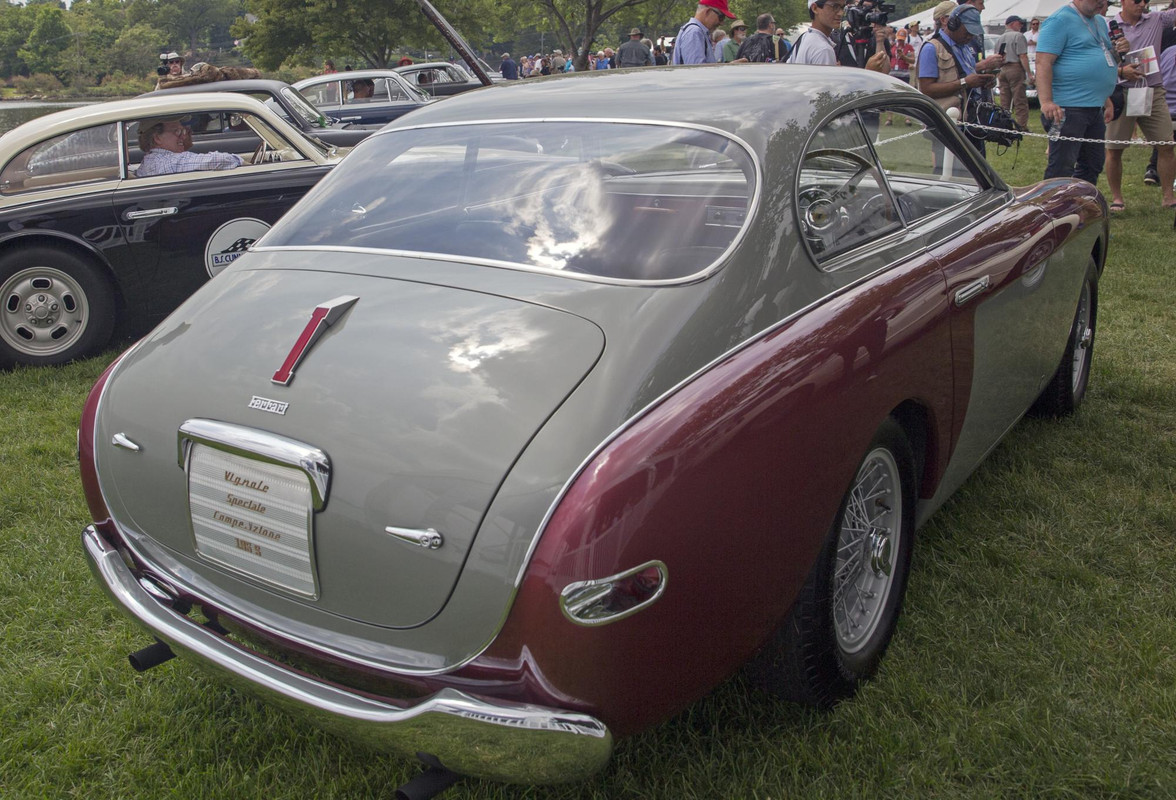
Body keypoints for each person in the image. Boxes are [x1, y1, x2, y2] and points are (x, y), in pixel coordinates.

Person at [1036, 0, 1122, 185]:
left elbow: (1104, 56)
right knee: (1062, 166)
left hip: (1094, 106)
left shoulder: (1098, 20)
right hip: (1068, 107)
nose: (1102, 3)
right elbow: (1043, 62)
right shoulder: (1059, 20)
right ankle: (1053, 209)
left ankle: (1079, 206)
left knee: (1093, 163)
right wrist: (1046, 102)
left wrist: (1106, 99)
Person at [1104, 0, 1176, 210]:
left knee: (1166, 145)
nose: (1142, 4)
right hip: (1121, 91)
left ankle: (1168, 198)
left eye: (1145, 0)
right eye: (1136, 0)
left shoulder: (1156, 19)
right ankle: (1117, 199)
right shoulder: (1107, 25)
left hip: (1152, 90)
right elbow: (1099, 59)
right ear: (1123, 2)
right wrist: (1120, 71)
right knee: (1114, 149)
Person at [917, 2, 1004, 157]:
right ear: (953, 23)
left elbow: (969, 78)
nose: (970, 36)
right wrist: (965, 83)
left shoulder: (965, 49)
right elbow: (927, 89)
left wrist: (984, 82)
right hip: (948, 126)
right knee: (949, 174)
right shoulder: (931, 48)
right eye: (967, 31)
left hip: (970, 124)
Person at [136, 117, 242, 178]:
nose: (183, 136)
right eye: (176, 131)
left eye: (182, 131)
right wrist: (241, 161)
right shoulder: (166, 162)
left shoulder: (151, 161)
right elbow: (218, 160)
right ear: (157, 138)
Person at [995, 15, 1034, 128]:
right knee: (1019, 99)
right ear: (1012, 24)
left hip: (1002, 69)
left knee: (1004, 100)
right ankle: (1022, 126)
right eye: (1019, 23)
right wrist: (1029, 73)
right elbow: (1022, 55)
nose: (1021, 26)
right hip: (1015, 68)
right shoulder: (1018, 36)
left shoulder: (1000, 38)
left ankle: (1004, 125)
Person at [672, 0, 736, 64]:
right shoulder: (694, 32)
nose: (721, 23)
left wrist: (728, 67)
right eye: (721, 17)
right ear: (707, 11)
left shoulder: (697, 32)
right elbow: (696, 71)